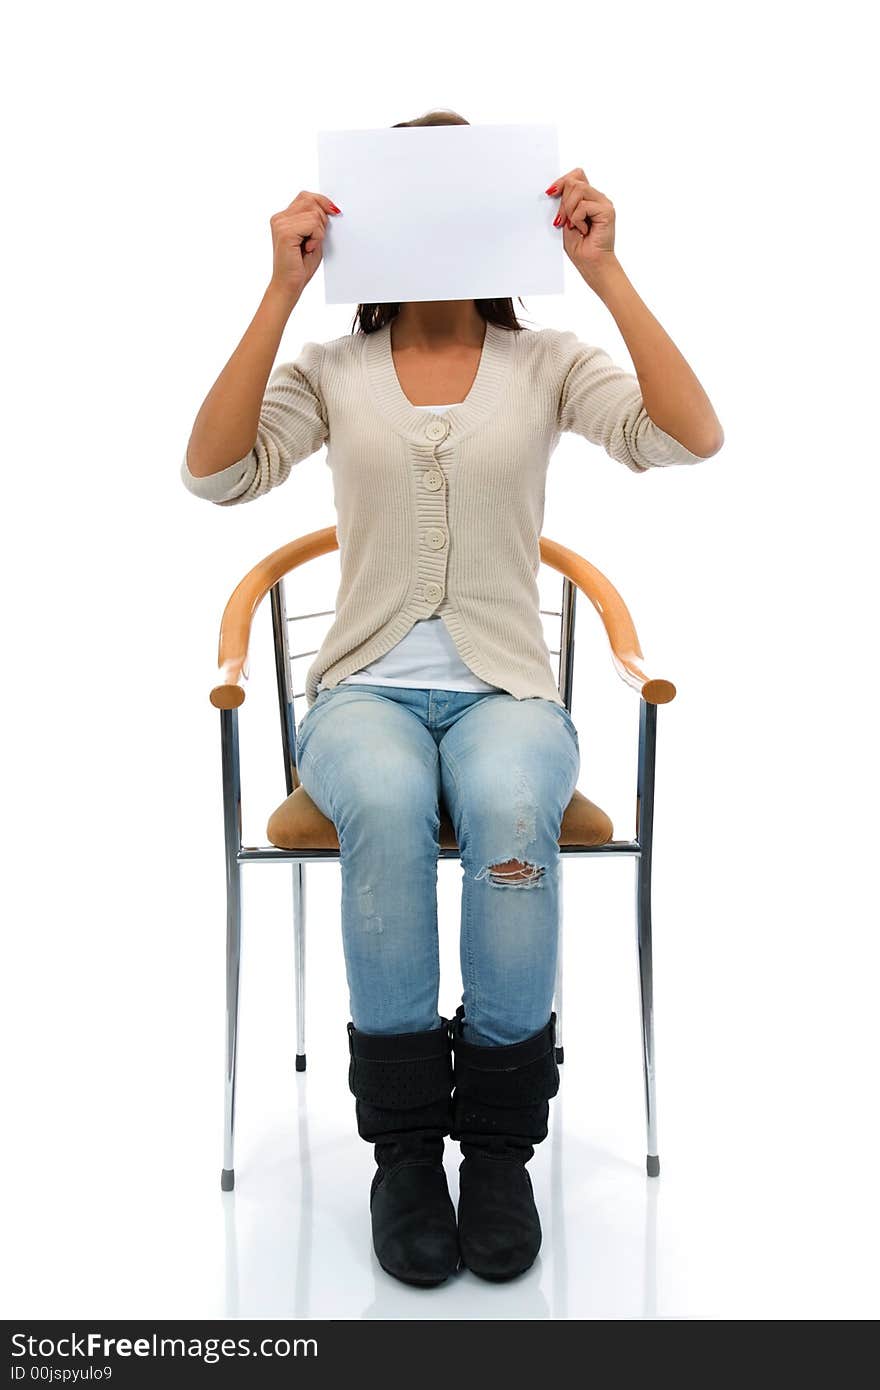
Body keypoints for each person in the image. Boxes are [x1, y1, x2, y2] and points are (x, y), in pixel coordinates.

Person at [181, 109, 724, 1287]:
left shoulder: (549, 362)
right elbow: (214, 472)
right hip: (362, 691)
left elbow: (688, 440)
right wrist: (279, 290)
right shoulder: (330, 370)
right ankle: (408, 1152)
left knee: (514, 805)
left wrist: (604, 270)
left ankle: (496, 1151)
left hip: (506, 691)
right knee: (378, 796)